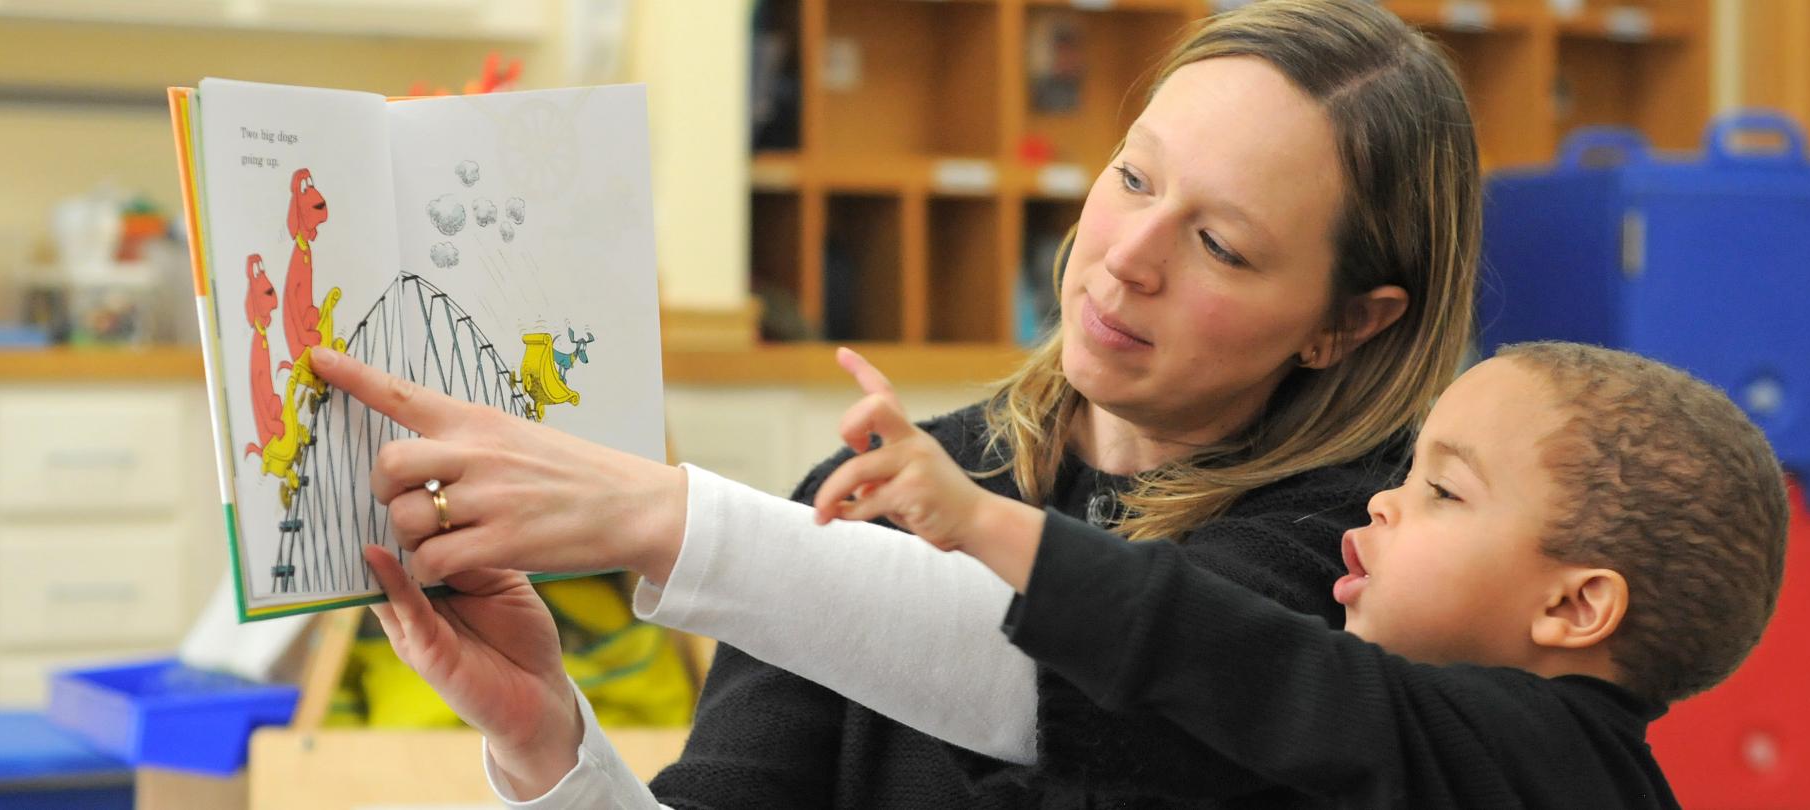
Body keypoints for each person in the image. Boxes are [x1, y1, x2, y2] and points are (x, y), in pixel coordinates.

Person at [317, 0, 1483, 804]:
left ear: (1352, 321)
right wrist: (548, 750)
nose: (1125, 255)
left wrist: (660, 517)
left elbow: (1089, 670)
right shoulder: (877, 492)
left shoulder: (1373, 554)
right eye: (1132, 175)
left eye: (1222, 243)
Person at [813, 340, 1789, 808]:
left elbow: (1238, 660)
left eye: (1444, 492)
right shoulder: (1431, 753)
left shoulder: (1551, 761)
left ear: (1575, 606)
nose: (1383, 503)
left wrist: (984, 523)